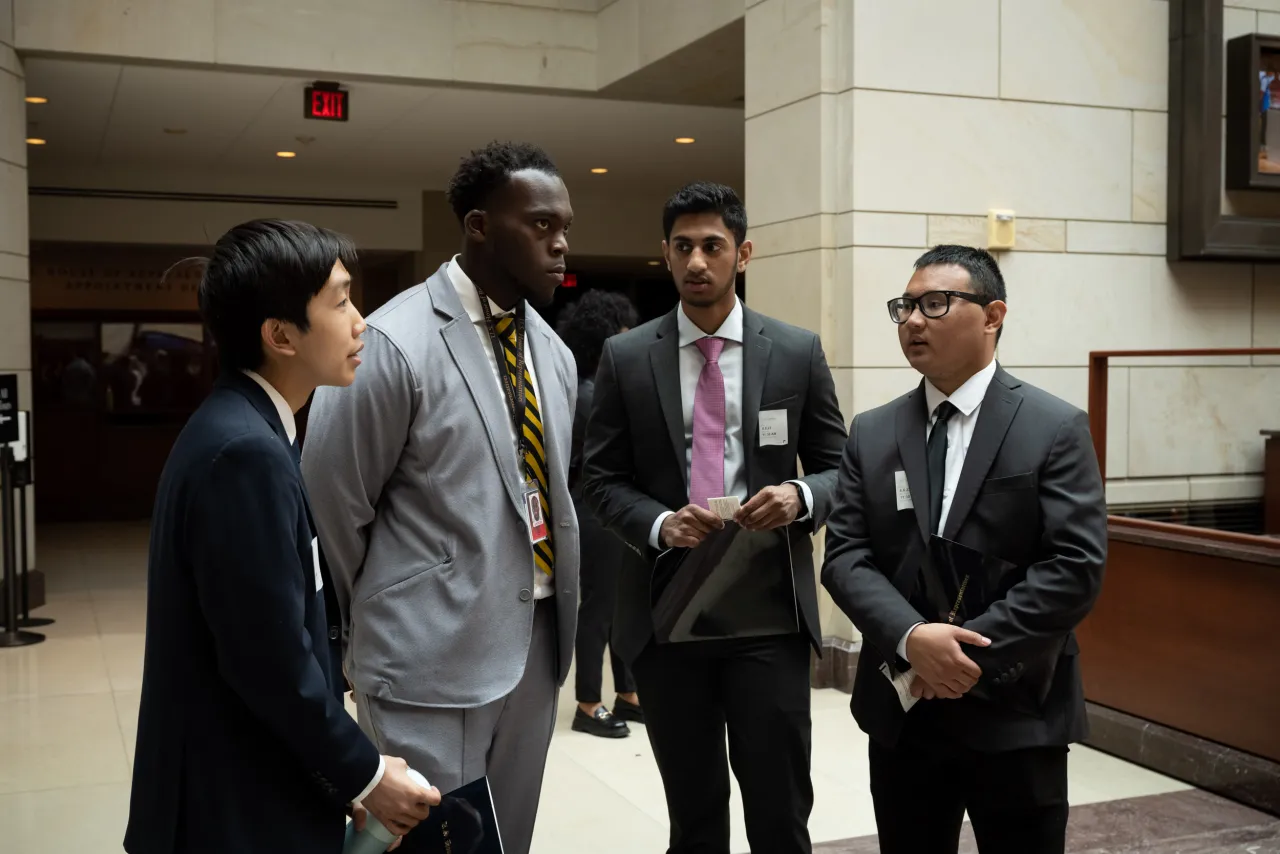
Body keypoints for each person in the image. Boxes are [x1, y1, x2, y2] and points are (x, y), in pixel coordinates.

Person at [301, 142, 579, 854]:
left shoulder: (554, 351)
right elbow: (332, 504)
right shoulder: (394, 341)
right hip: (426, 655)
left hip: (536, 644)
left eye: (564, 227)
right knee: (434, 845)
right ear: (480, 226)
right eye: (541, 226)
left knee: (506, 841)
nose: (560, 244)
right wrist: (392, 608)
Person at [125, 219, 437, 854]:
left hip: (246, 782)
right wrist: (368, 775)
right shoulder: (245, 452)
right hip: (235, 803)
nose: (361, 322)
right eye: (341, 300)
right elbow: (267, 660)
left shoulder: (245, 428)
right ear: (279, 335)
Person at [581, 182, 848, 854]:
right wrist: (660, 523)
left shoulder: (794, 351)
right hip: (666, 611)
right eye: (683, 247)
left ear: (743, 253)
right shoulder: (627, 356)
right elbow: (601, 478)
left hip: (769, 613)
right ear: (665, 256)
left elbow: (842, 468)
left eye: (713, 245)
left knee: (779, 810)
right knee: (695, 816)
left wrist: (800, 497)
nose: (697, 260)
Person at [820, 245, 1108, 854]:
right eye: (904, 307)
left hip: (1015, 707)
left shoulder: (1053, 427)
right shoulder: (872, 432)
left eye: (934, 304)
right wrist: (912, 640)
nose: (913, 321)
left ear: (993, 314)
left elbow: (1074, 568)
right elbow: (845, 555)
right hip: (903, 712)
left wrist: (963, 656)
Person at [556, 289, 643, 738]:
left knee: (618, 605)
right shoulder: (588, 394)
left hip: (606, 510)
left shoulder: (591, 389)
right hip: (593, 512)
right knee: (599, 609)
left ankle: (627, 694)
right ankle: (588, 703)